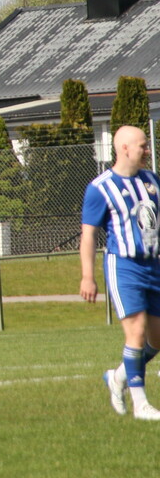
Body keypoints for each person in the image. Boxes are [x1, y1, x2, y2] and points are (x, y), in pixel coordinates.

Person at [80, 125, 160, 420]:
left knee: (157, 339)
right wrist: (88, 276)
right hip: (124, 266)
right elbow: (88, 235)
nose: (147, 150)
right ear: (125, 148)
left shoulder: (152, 181)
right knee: (135, 332)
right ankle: (141, 405)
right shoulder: (100, 188)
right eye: (142, 145)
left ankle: (117, 378)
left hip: (154, 265)